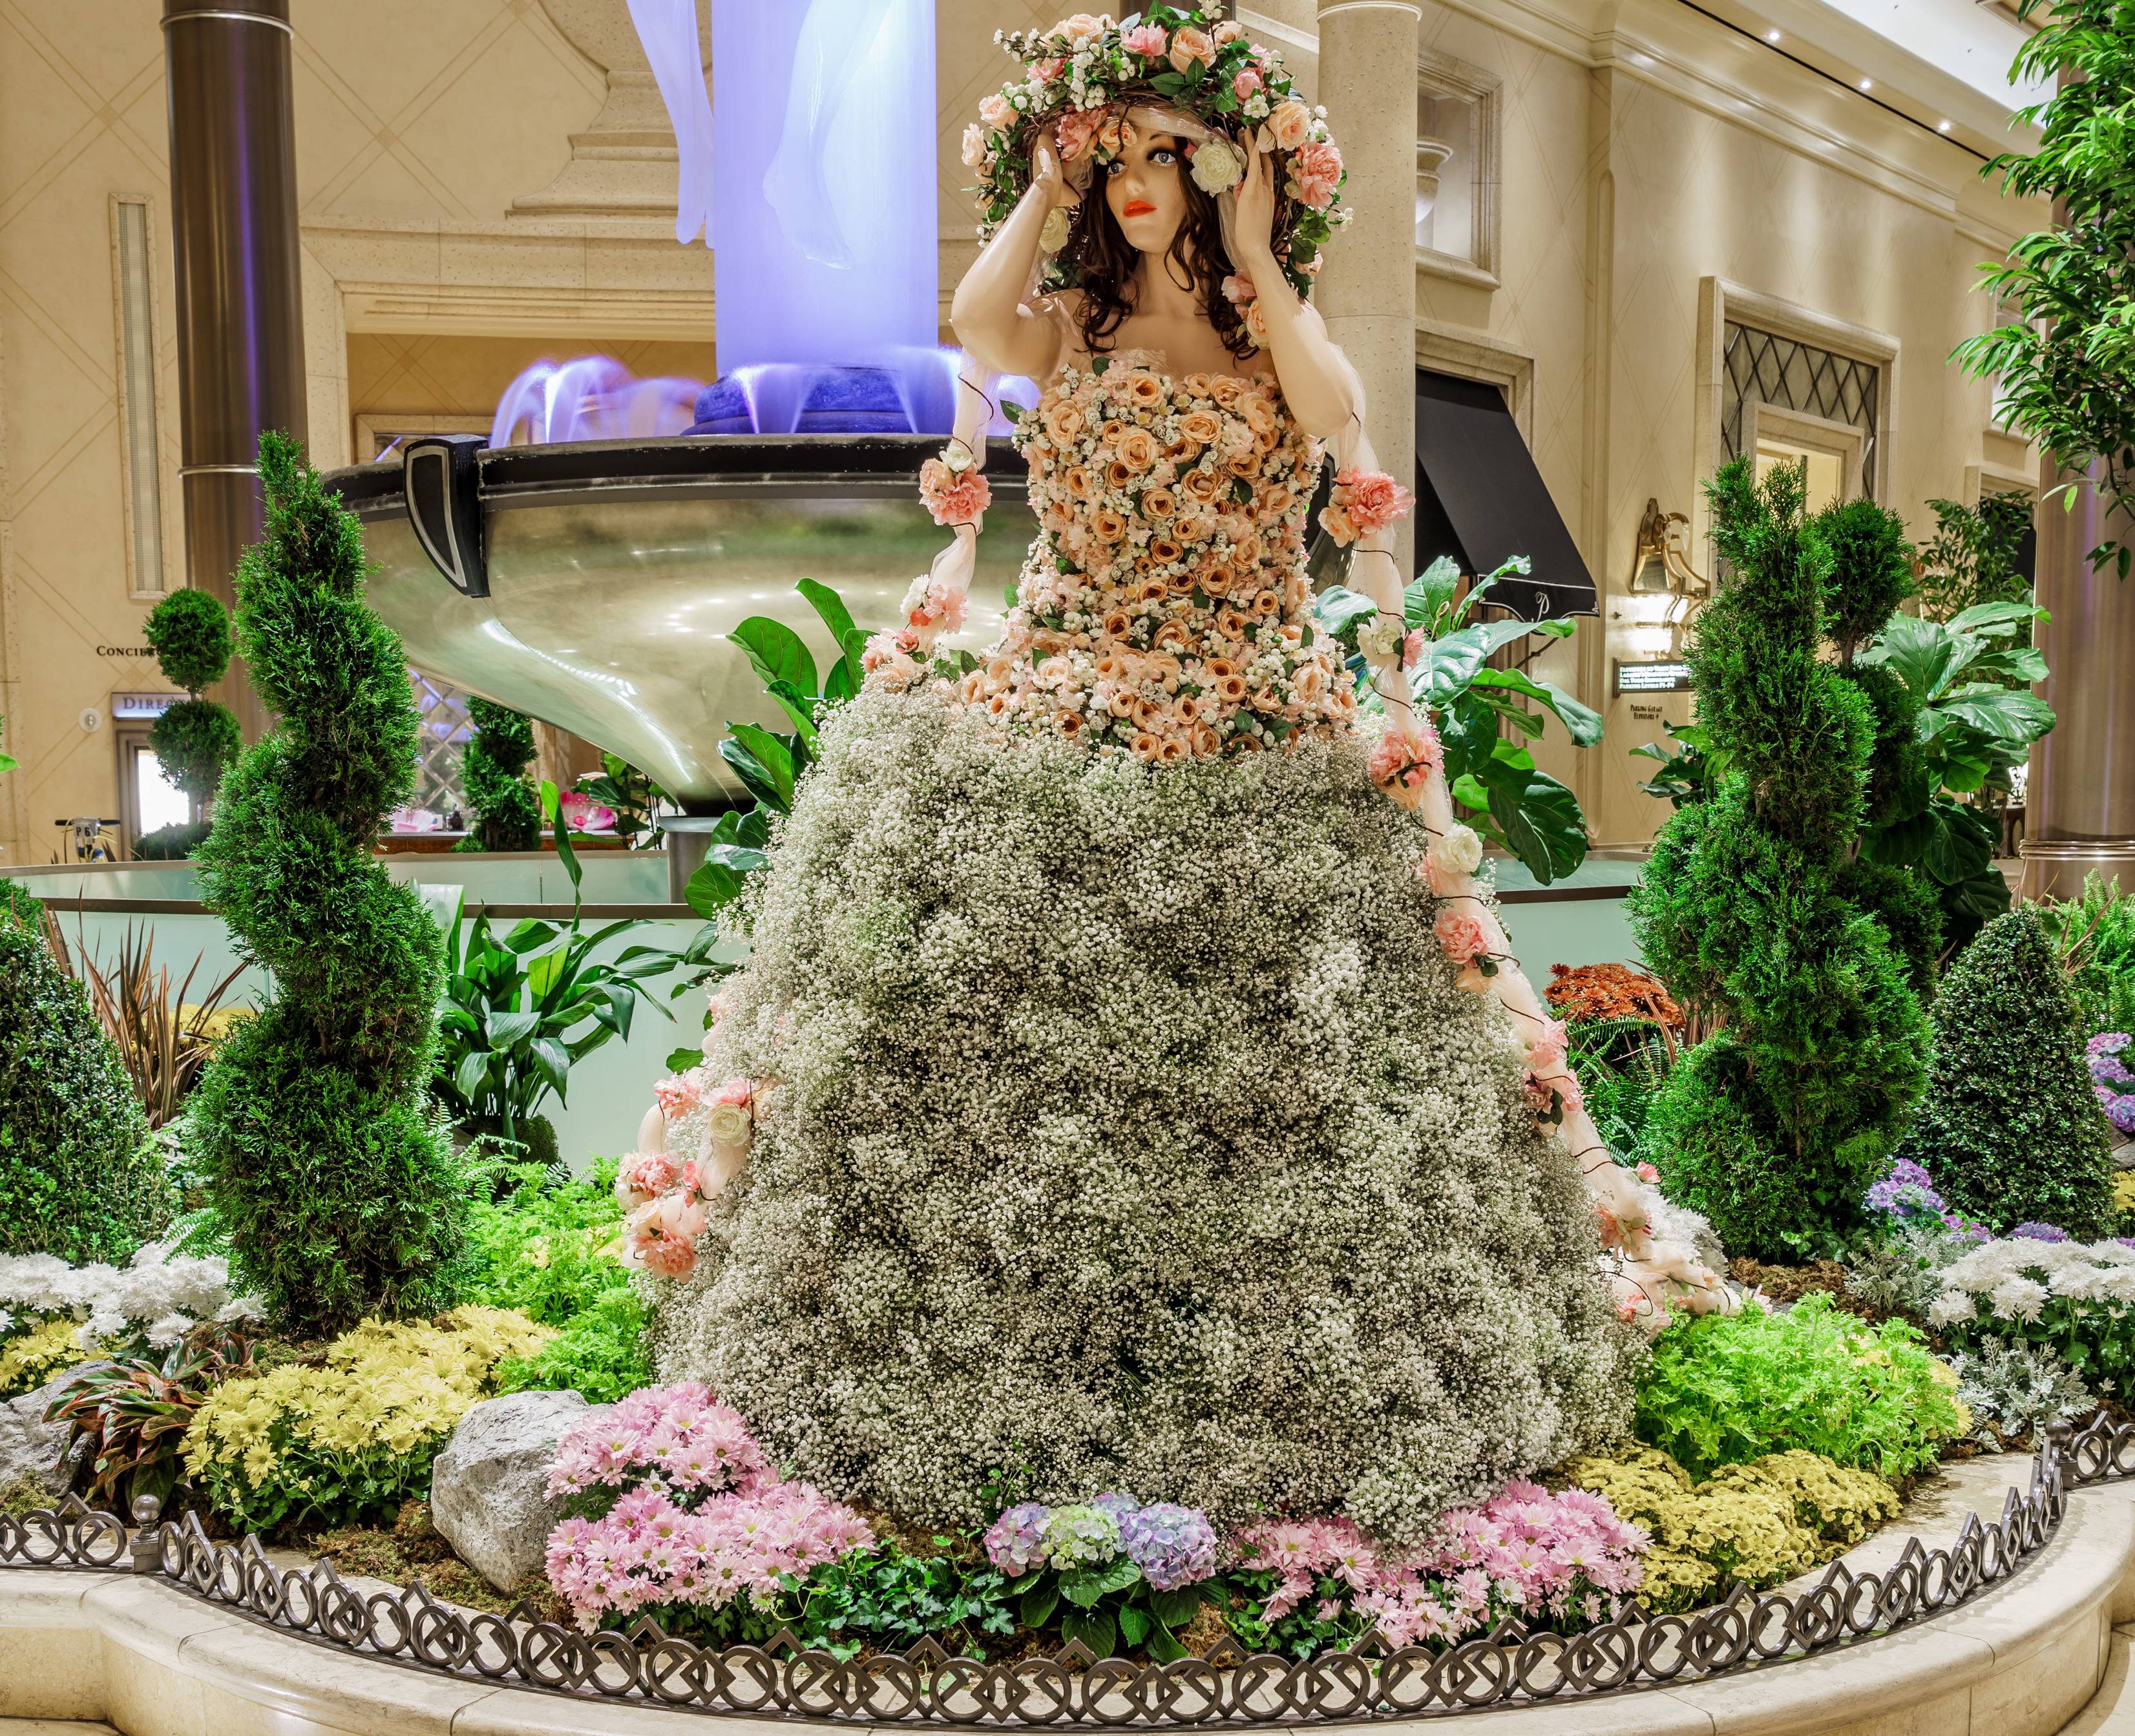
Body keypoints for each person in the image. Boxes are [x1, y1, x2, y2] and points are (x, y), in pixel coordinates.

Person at [633, 9, 1724, 1544]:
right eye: (1118, 157)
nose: (1139, 182)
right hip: (1058, 710)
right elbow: (976, 319)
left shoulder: (1274, 337)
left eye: (1169, 154)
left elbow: (1337, 414)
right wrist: (1041, 178)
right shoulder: (1070, 327)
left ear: (1230, 172)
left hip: (1256, 725)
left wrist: (1263, 254)